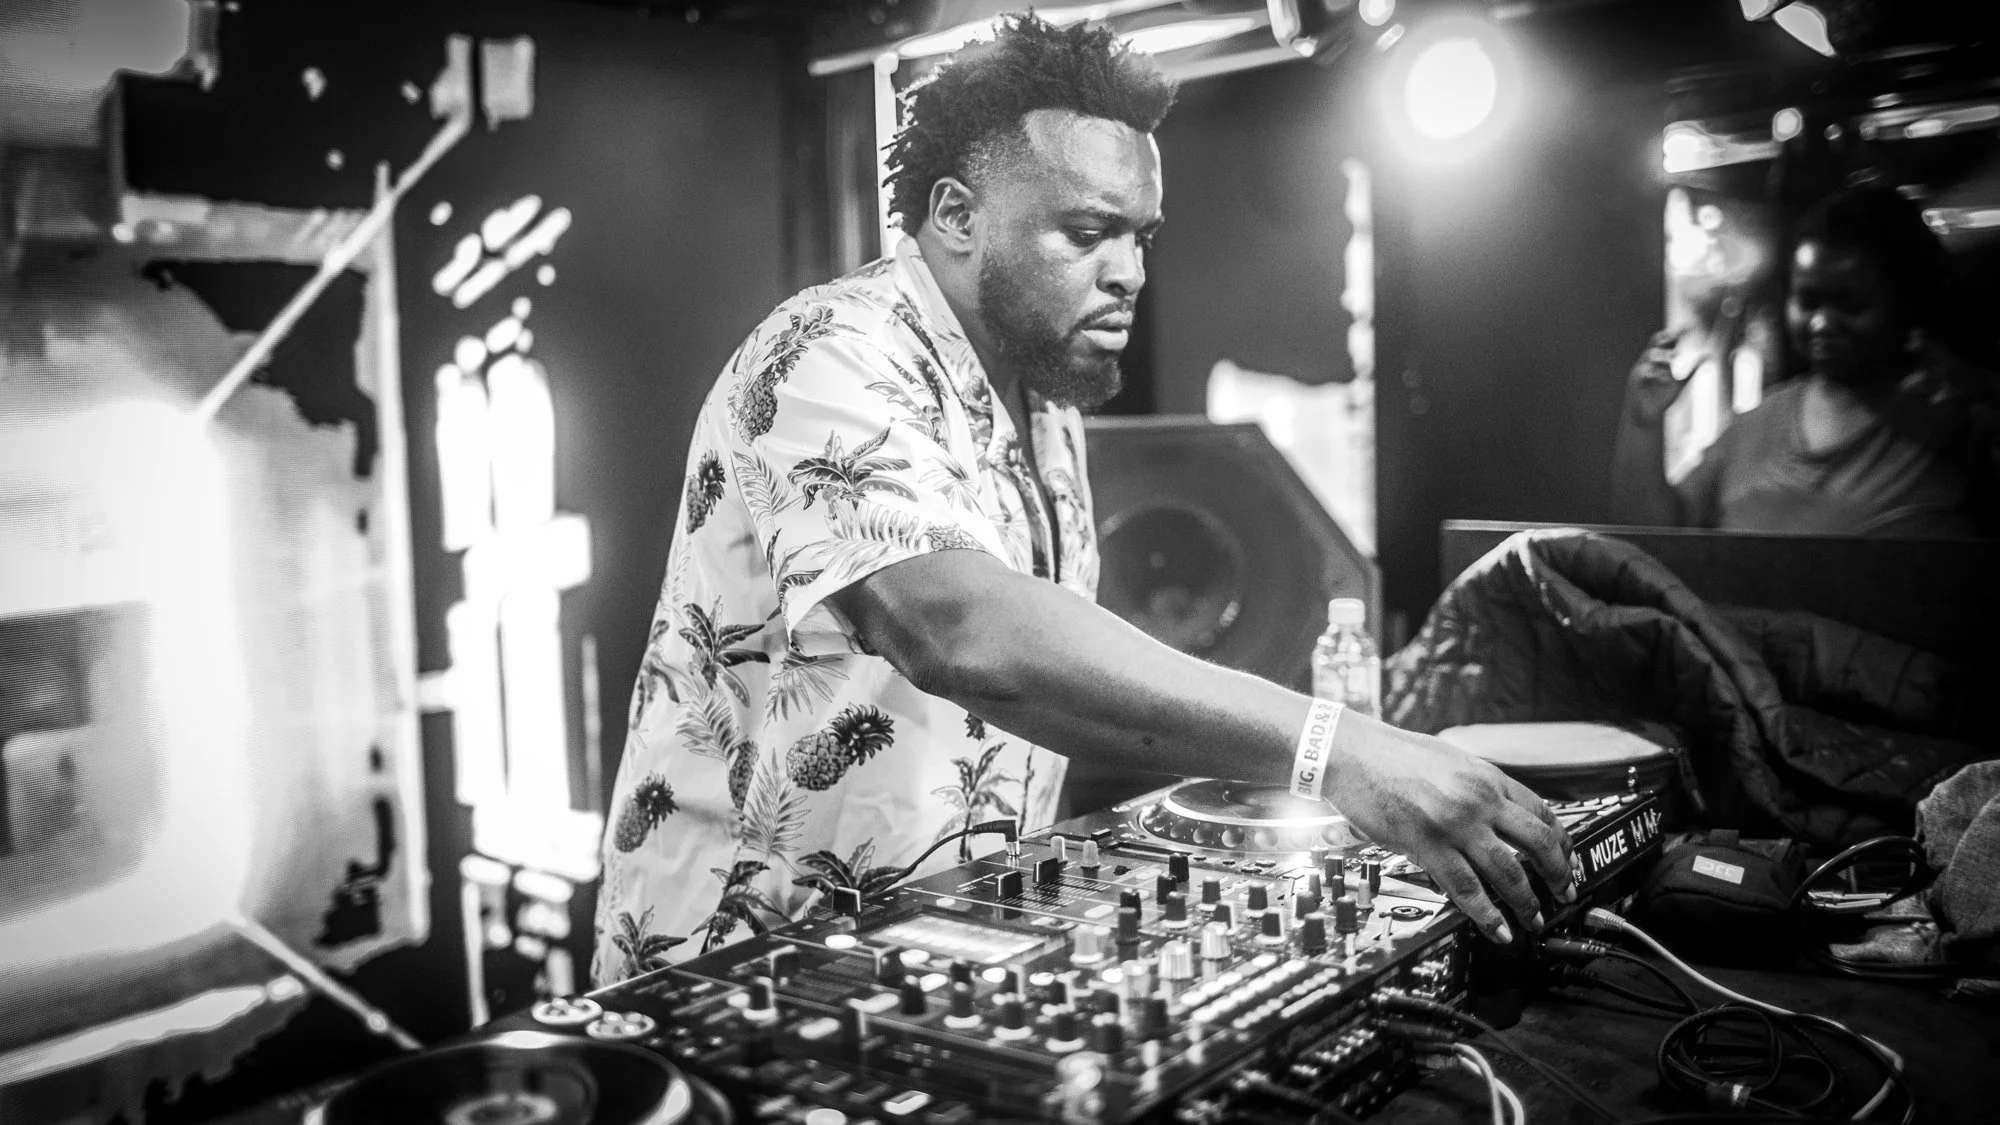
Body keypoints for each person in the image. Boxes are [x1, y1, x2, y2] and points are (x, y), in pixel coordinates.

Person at [592, 13, 1569, 984]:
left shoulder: (1042, 399)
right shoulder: (826, 352)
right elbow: (958, 631)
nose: (1129, 273)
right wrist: (1332, 748)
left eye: (1140, 237)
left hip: (931, 955)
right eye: (1088, 232)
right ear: (957, 215)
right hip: (736, 967)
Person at [1612, 182, 2000, 536]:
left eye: (1850, 303)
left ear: (1904, 300)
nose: (1822, 322)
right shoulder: (1756, 425)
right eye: (1807, 300)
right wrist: (1643, 421)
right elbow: (1659, 539)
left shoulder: (1957, 419)